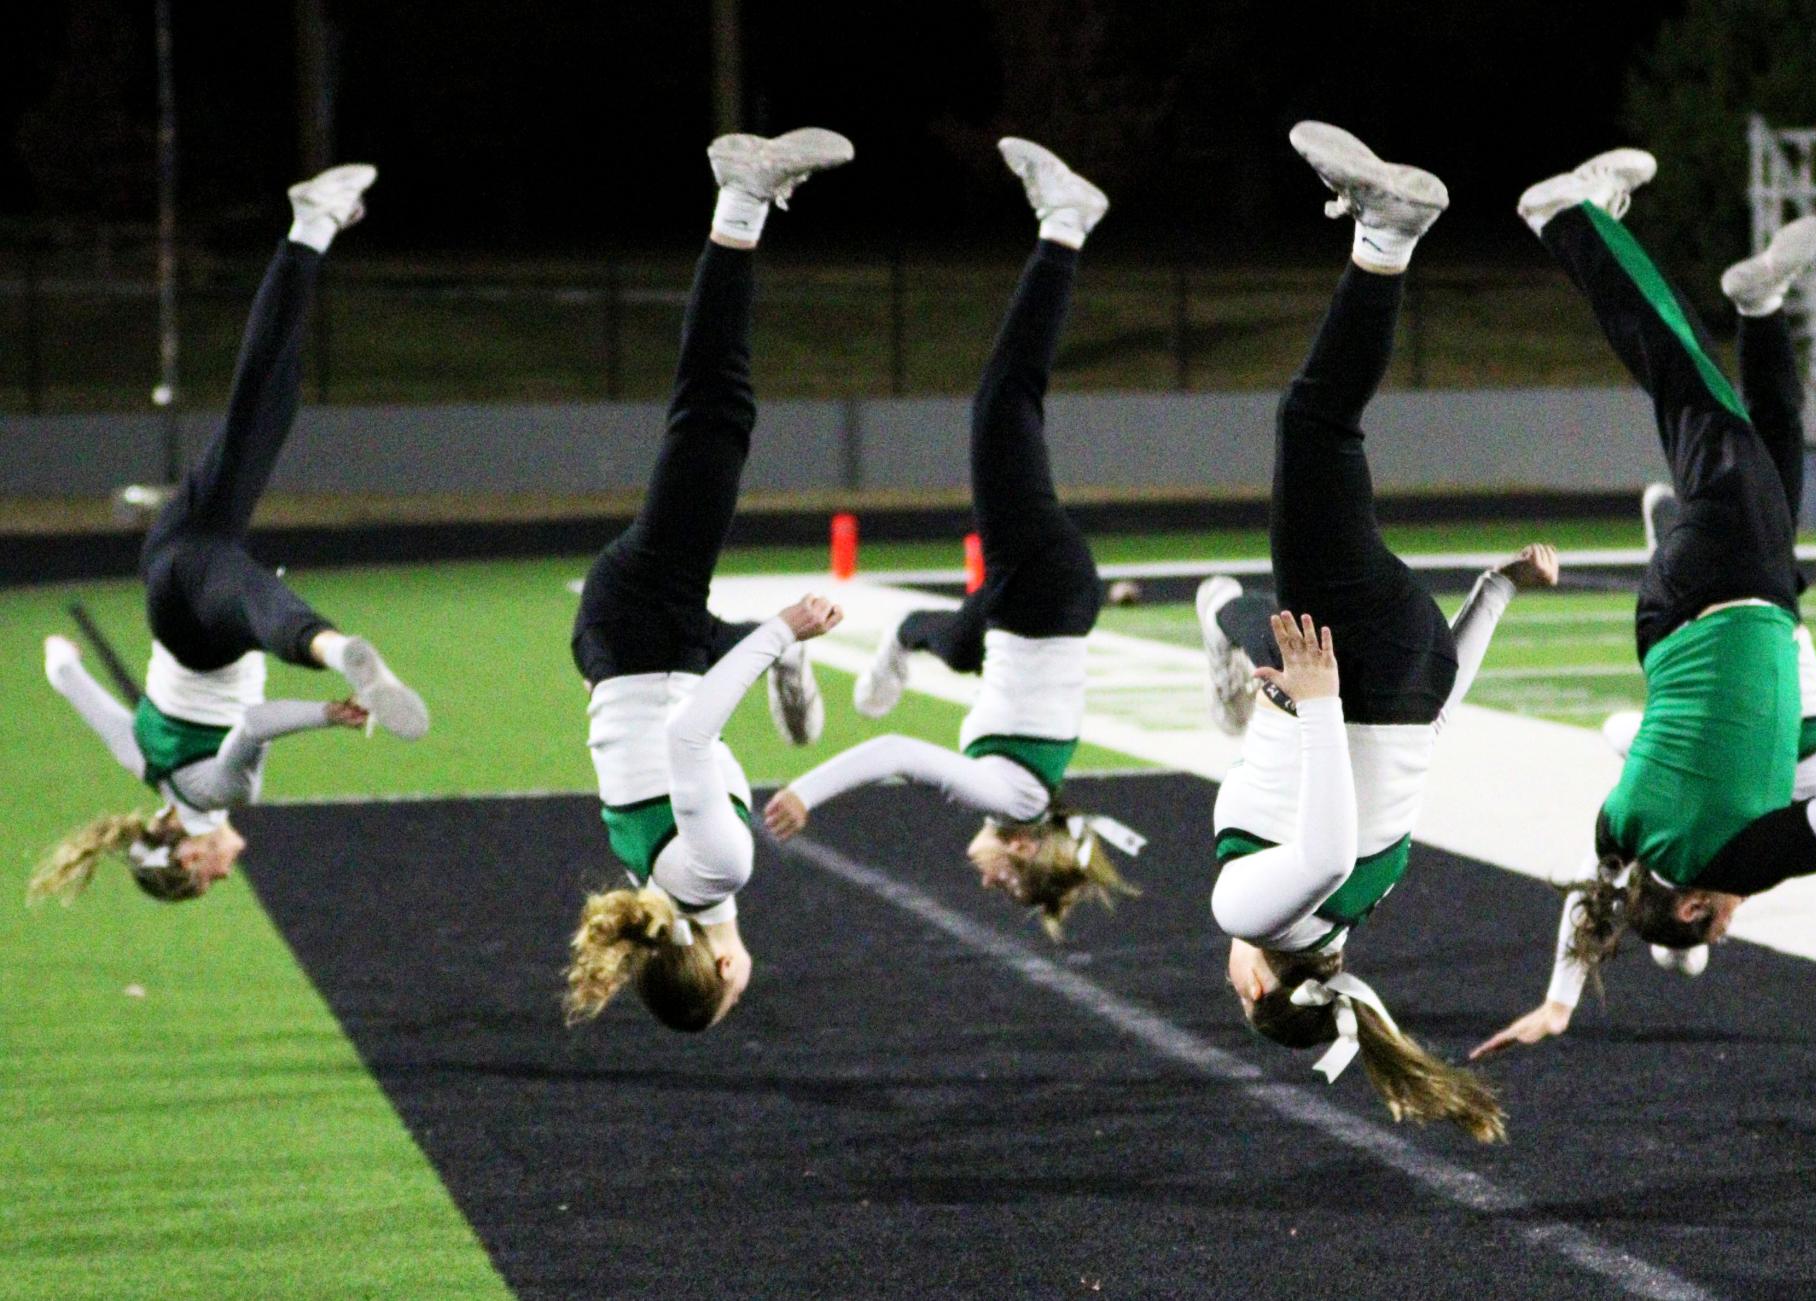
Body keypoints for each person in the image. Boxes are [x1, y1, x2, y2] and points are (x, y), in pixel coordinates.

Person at [1470, 154, 1816, 1055]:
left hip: (1726, 595)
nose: (1732, 918)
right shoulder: (1621, 834)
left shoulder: (1726, 864)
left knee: (1685, 387)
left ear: (1690, 903)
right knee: (1765, 466)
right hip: (1680, 610)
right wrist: (1558, 999)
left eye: (1719, 924)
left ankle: (1567, 219)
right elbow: (1587, 898)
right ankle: (1760, 307)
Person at [1199, 123, 1563, 1143]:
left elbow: (1423, 742)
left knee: (1246, 604)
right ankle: (1389, 232)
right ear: (1257, 991)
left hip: (1413, 664)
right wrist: (1315, 707)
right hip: (1352, 669)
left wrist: (1493, 591)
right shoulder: (1260, 916)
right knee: (1315, 423)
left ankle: (1216, 630)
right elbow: (1314, 848)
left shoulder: (1368, 902)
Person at [761, 139, 1141, 938]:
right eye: (1011, 882)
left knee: (959, 643)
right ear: (1024, 846)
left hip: (1023, 610)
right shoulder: (1010, 798)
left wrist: (899, 652)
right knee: (1002, 403)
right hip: (1037, 589)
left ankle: (900, 642)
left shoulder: (1015, 789)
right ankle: (1065, 224)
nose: (991, 882)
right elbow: (894, 750)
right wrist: (806, 793)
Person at [32, 166, 429, 906]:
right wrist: (63, 655)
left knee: (258, 603)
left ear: (188, 851)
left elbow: (250, 724)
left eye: (207, 877)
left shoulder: (215, 795)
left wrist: (331, 713)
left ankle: (340, 651)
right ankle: (311, 225)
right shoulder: (141, 765)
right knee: (263, 409)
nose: (223, 873)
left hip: (199, 627)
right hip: (170, 561)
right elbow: (63, 675)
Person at [563, 129, 851, 1034]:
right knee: (711, 427)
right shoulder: (668, 892)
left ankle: (740, 198)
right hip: (633, 650)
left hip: (649, 636)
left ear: (722, 966)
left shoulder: (719, 869)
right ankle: (750, 200)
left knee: (714, 417)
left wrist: (781, 633)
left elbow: (691, 739)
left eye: (732, 983)